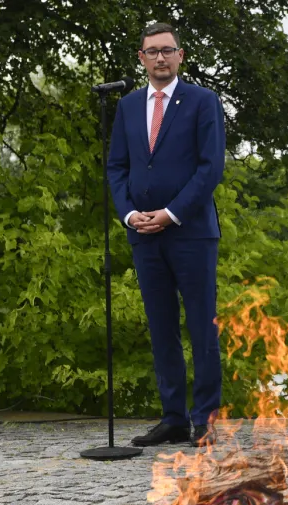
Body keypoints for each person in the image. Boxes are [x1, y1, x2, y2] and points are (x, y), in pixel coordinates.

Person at [107, 22, 226, 448]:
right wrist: (130, 214)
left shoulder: (202, 101)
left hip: (191, 233)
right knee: (161, 329)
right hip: (144, 235)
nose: (160, 58)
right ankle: (173, 418)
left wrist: (171, 213)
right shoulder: (127, 106)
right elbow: (117, 167)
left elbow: (210, 167)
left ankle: (206, 420)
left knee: (201, 327)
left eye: (167, 50)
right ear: (141, 58)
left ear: (180, 56)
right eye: (152, 51)